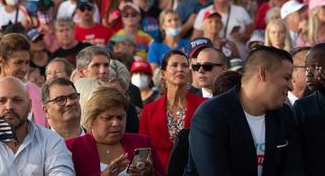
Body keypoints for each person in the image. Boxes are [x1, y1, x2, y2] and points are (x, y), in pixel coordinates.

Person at [185, 46, 300, 176]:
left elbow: (293, 169)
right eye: (286, 77)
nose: (291, 86)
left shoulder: (284, 114)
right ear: (263, 74)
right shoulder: (211, 115)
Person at [66, 85, 164, 176]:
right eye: (108, 118)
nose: (116, 123)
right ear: (92, 120)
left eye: (120, 117)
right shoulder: (72, 148)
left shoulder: (142, 142)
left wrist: (151, 173)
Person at [139, 50, 206, 171]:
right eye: (174, 65)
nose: (180, 69)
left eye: (185, 66)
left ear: (189, 73)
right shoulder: (149, 110)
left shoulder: (204, 105)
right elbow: (142, 149)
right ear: (164, 74)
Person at [293, 43, 325, 175]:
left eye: (315, 67)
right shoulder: (302, 107)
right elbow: (296, 156)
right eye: (306, 68)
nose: (309, 73)